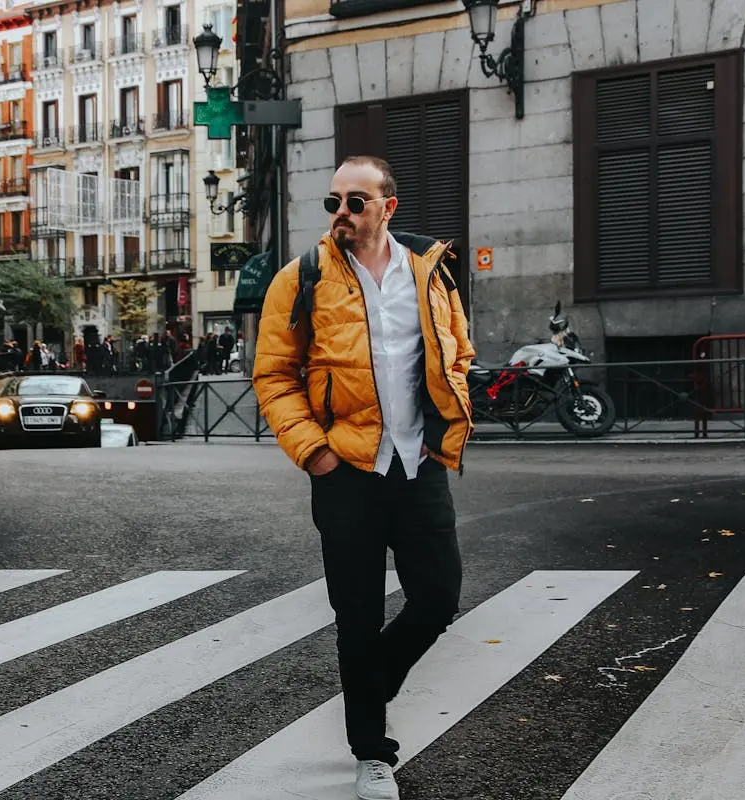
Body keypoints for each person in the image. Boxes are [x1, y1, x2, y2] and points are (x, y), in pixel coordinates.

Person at [253, 155, 474, 800]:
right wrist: (315, 453)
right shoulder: (302, 279)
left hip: (420, 465)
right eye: (333, 202)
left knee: (437, 598)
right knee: (357, 612)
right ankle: (372, 752)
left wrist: (446, 432)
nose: (342, 213)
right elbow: (273, 375)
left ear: (388, 207)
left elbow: (459, 351)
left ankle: (368, 682)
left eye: (356, 201)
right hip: (345, 470)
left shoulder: (431, 272)